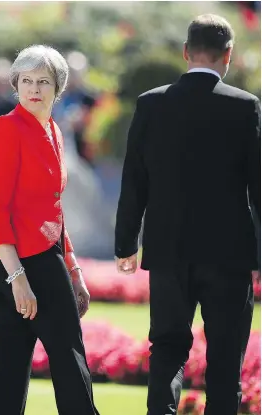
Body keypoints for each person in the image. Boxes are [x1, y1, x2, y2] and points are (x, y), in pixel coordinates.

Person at [114, 14, 260, 415]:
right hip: (229, 255)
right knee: (226, 358)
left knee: (167, 350)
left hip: (167, 251)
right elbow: (258, 188)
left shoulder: (151, 103)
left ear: (185, 52)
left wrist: (125, 243)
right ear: (228, 55)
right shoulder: (245, 107)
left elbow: (134, 180)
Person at [0, 44, 99, 415]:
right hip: (16, 260)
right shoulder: (6, 130)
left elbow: (53, 209)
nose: (34, 89)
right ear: (15, 85)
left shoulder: (53, 129)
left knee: (9, 363)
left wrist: (74, 268)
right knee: (69, 351)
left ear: (59, 88)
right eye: (26, 81)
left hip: (40, 254)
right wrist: (18, 277)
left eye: (43, 82)